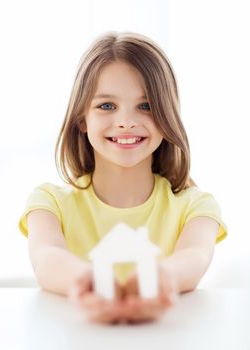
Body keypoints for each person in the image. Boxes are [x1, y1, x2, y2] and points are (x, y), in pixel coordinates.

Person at [19, 31, 227, 324]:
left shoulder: (197, 208)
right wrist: (88, 282)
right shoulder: (49, 203)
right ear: (82, 119)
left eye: (146, 106)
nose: (126, 122)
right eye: (107, 106)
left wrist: (158, 280)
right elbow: (46, 256)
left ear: (168, 117)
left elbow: (194, 256)